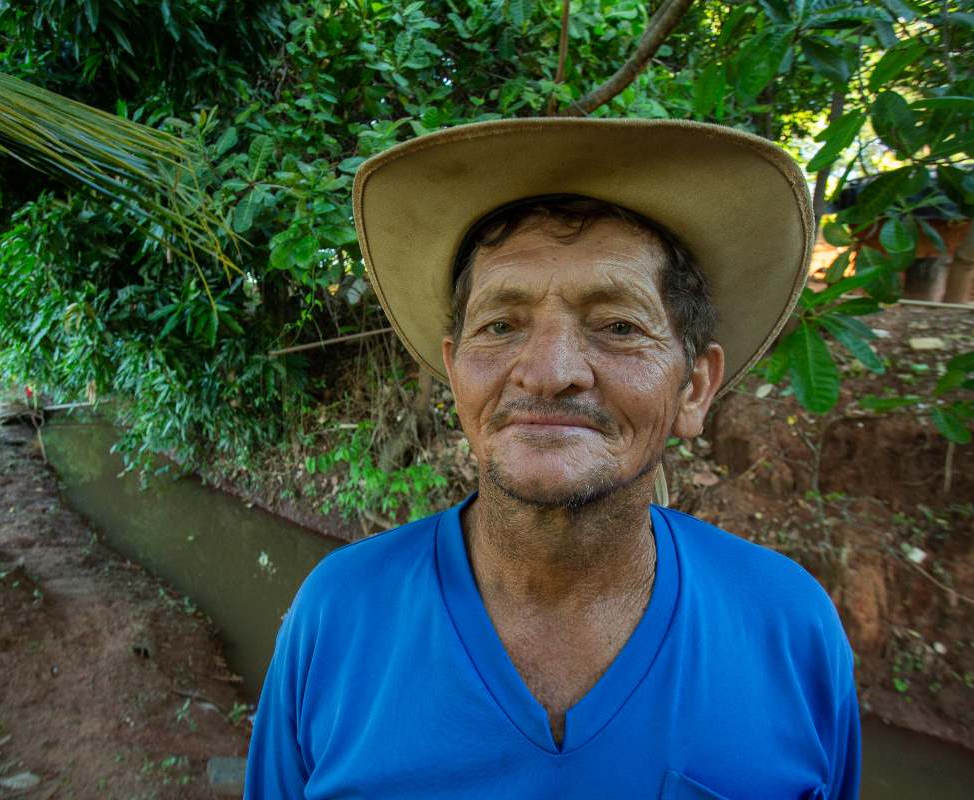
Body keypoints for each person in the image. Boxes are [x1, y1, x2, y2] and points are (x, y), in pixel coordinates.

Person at [244, 118, 861, 799]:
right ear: (456, 377)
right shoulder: (337, 616)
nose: (548, 372)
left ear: (694, 386)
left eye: (619, 326)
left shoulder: (790, 631)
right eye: (501, 325)